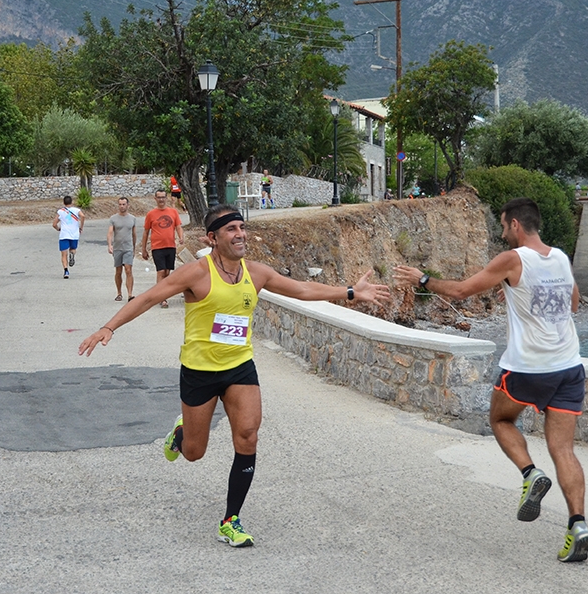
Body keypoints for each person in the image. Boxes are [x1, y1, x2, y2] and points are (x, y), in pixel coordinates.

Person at [80, 204, 391, 547]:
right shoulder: (195, 274)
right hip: (199, 371)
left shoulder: (256, 273)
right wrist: (108, 327)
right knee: (194, 452)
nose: (240, 234)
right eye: (231, 229)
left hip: (239, 367)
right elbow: (148, 298)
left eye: (242, 227)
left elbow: (302, 289)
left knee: (248, 436)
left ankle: (230, 520)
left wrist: (350, 292)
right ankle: (181, 434)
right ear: (212, 238)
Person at [393, 197, 588, 563]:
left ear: (516, 224)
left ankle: (530, 474)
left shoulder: (513, 259)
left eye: (503, 226)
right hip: (569, 366)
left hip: (529, 367)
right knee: (564, 450)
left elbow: (461, 291)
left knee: (500, 420)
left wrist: (421, 278)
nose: (502, 233)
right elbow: (573, 305)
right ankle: (578, 526)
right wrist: (530, 298)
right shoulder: (561, 258)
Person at [140, 189, 184, 308]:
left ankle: (163, 293)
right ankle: (161, 298)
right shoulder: (151, 214)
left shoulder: (173, 212)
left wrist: (181, 237)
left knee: (167, 272)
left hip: (170, 246)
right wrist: (143, 249)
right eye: (159, 197)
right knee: (160, 271)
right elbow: (146, 232)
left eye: (163, 197)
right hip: (157, 247)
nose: (161, 200)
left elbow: (178, 227)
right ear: (155, 199)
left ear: (166, 198)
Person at [107, 197, 137, 302]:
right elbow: (110, 232)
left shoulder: (132, 218)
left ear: (128, 205)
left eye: (124, 204)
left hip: (128, 248)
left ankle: (130, 294)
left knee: (128, 270)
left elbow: (134, 234)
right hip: (117, 248)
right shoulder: (113, 218)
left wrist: (134, 248)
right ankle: (119, 293)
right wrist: (109, 245)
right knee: (118, 271)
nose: (122, 206)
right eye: (120, 204)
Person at [52, 195, 84, 279]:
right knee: (73, 249)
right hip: (74, 234)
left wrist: (58, 229)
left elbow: (54, 224)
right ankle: (72, 254)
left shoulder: (60, 211)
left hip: (64, 234)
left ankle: (66, 271)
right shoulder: (76, 210)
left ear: (64, 203)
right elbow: (83, 216)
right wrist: (81, 227)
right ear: (72, 202)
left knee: (63, 254)